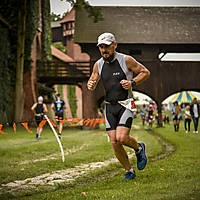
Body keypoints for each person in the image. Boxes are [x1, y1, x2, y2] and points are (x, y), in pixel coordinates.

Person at [87, 32, 150, 180]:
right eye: (101, 47)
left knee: (122, 138)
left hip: (126, 103)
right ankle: (129, 171)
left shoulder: (126, 60)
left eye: (107, 46)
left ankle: (139, 148)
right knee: (114, 142)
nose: (104, 50)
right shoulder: (98, 64)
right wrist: (90, 85)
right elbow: (93, 80)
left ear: (114, 45)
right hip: (109, 106)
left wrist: (132, 83)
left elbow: (145, 72)